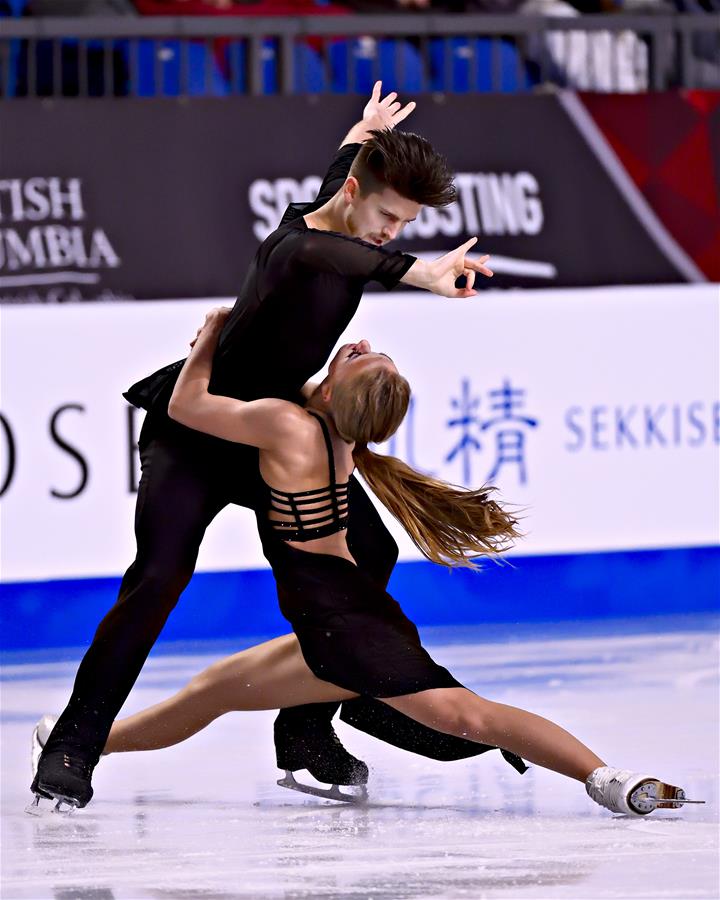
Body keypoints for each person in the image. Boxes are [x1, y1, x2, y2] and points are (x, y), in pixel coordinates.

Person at [31, 83, 497, 811]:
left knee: (369, 554)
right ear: (352, 194)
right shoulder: (298, 247)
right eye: (387, 218)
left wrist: (360, 132)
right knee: (158, 578)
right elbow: (334, 254)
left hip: (267, 438)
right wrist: (418, 272)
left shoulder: (337, 209)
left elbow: (345, 202)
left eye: (404, 224)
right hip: (191, 435)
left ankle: (307, 726)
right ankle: (73, 743)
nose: (390, 232)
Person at [32, 312, 693, 818]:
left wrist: (208, 338)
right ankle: (84, 740)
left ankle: (606, 779)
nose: (359, 346)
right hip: (333, 626)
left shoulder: (290, 428)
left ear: (340, 395)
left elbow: (184, 404)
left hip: (346, 634)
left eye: (365, 360)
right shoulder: (340, 440)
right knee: (210, 693)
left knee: (470, 715)